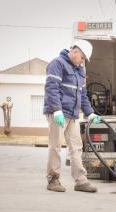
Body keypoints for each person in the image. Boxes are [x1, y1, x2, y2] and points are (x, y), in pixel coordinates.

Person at [43, 39, 101, 193]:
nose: (83, 61)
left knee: (76, 147)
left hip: (73, 115)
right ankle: (53, 179)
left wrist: (90, 113)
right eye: (82, 57)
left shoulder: (80, 70)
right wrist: (56, 110)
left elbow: (82, 95)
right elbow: (51, 88)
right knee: (55, 146)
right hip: (59, 114)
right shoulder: (57, 64)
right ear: (75, 51)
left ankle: (81, 181)